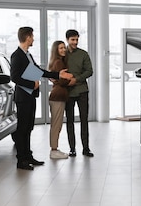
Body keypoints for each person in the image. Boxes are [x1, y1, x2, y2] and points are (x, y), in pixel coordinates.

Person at [10, 27, 72, 170]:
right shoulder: (17, 55)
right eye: (32, 36)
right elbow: (14, 77)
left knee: (29, 127)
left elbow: (38, 71)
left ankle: (28, 156)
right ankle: (21, 160)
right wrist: (32, 84)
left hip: (30, 96)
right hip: (23, 97)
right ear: (27, 37)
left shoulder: (27, 55)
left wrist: (57, 75)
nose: (33, 38)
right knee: (23, 128)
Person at [64, 29, 94, 157]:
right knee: (69, 120)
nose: (75, 42)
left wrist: (76, 79)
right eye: (73, 40)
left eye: (77, 39)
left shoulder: (83, 54)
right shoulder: (62, 54)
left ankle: (86, 148)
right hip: (67, 92)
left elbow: (89, 71)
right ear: (67, 40)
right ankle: (72, 148)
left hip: (82, 91)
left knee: (84, 120)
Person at [47, 41, 71, 159]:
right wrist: (70, 79)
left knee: (57, 124)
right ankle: (54, 150)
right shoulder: (58, 62)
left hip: (58, 96)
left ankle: (54, 148)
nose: (63, 50)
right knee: (56, 125)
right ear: (56, 50)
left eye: (64, 48)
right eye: (60, 48)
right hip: (57, 97)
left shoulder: (58, 61)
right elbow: (62, 80)